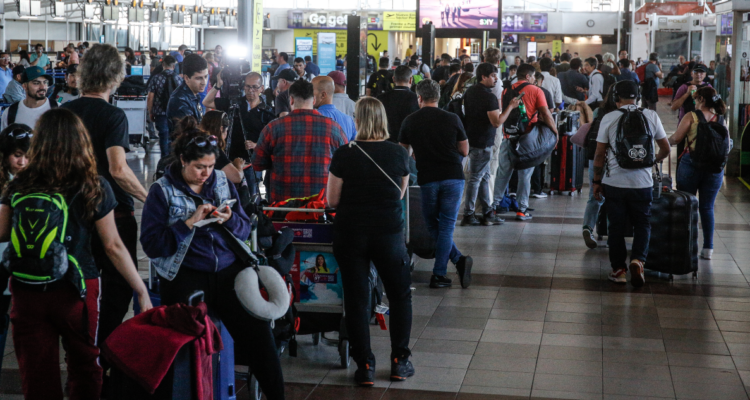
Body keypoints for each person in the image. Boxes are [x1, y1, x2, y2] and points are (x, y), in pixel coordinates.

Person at [0, 108, 152, 399]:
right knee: (85, 365)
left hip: (26, 290)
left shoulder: (20, 183)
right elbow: (113, 246)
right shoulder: (93, 185)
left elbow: (2, 231)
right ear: (80, 141)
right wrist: (140, 288)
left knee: (35, 370)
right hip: (78, 288)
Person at [139, 123, 285, 400]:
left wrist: (230, 219)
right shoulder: (162, 191)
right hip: (186, 273)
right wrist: (188, 223)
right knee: (177, 347)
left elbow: (244, 229)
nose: (206, 173)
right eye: (198, 167)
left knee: (260, 338)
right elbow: (153, 245)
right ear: (182, 160)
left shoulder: (220, 180)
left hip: (229, 272)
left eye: (210, 166)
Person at [61, 44, 150, 381]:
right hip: (113, 214)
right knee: (118, 289)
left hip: (73, 215)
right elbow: (117, 169)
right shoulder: (114, 115)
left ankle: (81, 356)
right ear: (116, 76)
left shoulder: (65, 112)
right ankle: (103, 356)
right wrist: (148, 197)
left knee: (79, 284)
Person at [327, 96, 414, 387]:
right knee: (400, 295)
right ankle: (400, 362)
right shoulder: (399, 154)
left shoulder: (344, 154)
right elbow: (399, 195)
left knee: (356, 299)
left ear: (357, 121)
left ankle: (364, 364)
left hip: (350, 233)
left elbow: (332, 200)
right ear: (383, 119)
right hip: (388, 234)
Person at [592, 80, 670, 287]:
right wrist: (650, 162)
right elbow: (666, 148)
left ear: (616, 97)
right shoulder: (651, 116)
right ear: (637, 96)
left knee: (615, 226)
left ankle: (619, 270)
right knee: (643, 223)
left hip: (614, 182)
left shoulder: (609, 118)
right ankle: (638, 260)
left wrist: (596, 182)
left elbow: (599, 154)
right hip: (642, 183)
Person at [399, 79, 474, 289]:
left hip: (427, 179)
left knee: (433, 225)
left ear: (419, 98)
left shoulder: (410, 121)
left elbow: (402, 153)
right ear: (438, 97)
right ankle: (452, 264)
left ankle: (445, 269)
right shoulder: (452, 118)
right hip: (453, 176)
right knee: (446, 226)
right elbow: (465, 150)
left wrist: (416, 153)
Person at [253, 79, 348, 202]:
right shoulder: (334, 129)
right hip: (320, 208)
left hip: (281, 208)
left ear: (291, 100)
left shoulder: (273, 128)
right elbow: (346, 165)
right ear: (313, 100)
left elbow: (257, 164)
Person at [492, 64, 559, 221]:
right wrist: (555, 132)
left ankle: (494, 208)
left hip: (508, 137)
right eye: (534, 76)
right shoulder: (536, 91)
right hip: (527, 139)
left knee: (502, 174)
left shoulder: (506, 90)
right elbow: (546, 113)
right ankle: (522, 210)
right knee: (525, 175)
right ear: (528, 76)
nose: (535, 79)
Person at [669, 87, 726, 260]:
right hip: (714, 168)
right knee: (707, 207)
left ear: (701, 99)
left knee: (687, 204)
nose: (694, 101)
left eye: (695, 99)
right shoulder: (720, 118)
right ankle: (708, 248)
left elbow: (677, 139)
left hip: (691, 164)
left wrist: (662, 141)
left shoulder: (691, 116)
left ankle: (685, 245)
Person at [204, 71, 275, 193]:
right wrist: (218, 85)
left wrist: (257, 145)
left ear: (261, 89)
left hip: (252, 163)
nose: (250, 90)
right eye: (247, 86)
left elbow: (273, 142)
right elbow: (207, 102)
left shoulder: (268, 112)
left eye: (254, 87)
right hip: (231, 160)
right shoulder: (235, 104)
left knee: (251, 195)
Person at [461, 63, 505, 226]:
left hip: (471, 138)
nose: (496, 78)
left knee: (484, 177)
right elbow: (496, 122)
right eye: (493, 75)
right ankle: (469, 213)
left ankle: (487, 212)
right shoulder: (489, 97)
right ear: (483, 77)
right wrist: (510, 108)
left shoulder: (470, 92)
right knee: (476, 178)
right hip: (483, 142)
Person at [581, 85, 618, 249]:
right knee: (615, 197)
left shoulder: (599, 111)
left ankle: (588, 228)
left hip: (595, 156)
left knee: (594, 195)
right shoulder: (622, 115)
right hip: (614, 158)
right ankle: (612, 234)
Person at [148, 55, 183, 155]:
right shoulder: (179, 79)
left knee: (163, 136)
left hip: (160, 113)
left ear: (163, 64)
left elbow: (150, 97)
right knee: (175, 136)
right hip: (176, 113)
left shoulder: (155, 78)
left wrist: (151, 112)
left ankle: (164, 161)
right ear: (174, 66)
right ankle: (174, 160)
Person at [0, 66, 53, 131]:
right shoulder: (9, 113)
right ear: (24, 86)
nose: (43, 87)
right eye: (36, 83)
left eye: (45, 82)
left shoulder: (58, 108)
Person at [377, 65, 419, 144]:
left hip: (385, 143)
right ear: (411, 80)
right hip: (409, 143)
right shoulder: (417, 99)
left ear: (393, 79)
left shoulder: (381, 98)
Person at [200, 111, 244, 184]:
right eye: (226, 130)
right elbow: (237, 177)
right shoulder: (212, 148)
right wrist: (238, 165)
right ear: (221, 129)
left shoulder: (199, 142)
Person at [166, 53, 208, 130]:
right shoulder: (180, 101)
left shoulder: (193, 95)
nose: (204, 82)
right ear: (186, 78)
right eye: (199, 78)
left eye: (206, 76)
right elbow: (189, 134)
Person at [313, 76, 356, 142]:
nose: (309, 95)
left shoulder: (312, 119)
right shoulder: (349, 120)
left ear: (323, 95)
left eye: (311, 91)